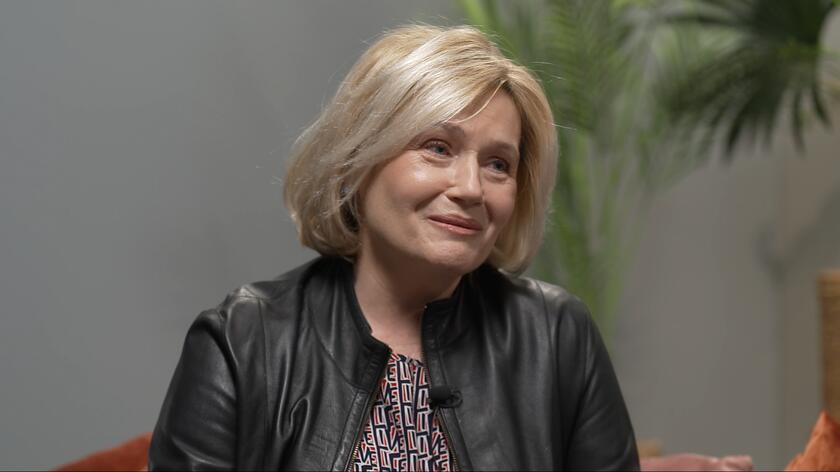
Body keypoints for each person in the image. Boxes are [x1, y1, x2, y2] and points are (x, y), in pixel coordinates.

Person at [149, 25, 639, 471]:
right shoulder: (242, 340)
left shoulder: (556, 335)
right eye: (438, 148)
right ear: (357, 160)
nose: (471, 188)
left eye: (498, 164)